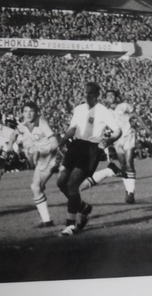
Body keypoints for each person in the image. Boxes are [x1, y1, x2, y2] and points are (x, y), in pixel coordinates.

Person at [57, 82, 122, 236]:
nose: (87, 95)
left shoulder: (104, 111)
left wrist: (108, 141)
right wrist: (62, 141)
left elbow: (118, 131)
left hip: (91, 149)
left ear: (97, 95)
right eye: (86, 92)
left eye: (91, 93)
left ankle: (71, 225)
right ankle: (84, 208)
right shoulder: (79, 109)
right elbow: (73, 128)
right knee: (61, 183)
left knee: (73, 184)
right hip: (75, 146)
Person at [80, 89, 150, 204]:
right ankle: (128, 191)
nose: (110, 97)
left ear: (117, 97)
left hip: (128, 136)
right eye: (108, 96)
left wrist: (147, 129)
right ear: (106, 99)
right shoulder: (106, 112)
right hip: (117, 139)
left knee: (129, 163)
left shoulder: (124, 106)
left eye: (112, 95)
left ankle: (131, 192)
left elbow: (136, 117)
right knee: (122, 166)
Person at [7, 102, 59, 228]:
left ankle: (48, 221)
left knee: (37, 187)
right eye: (25, 111)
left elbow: (55, 143)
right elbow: (14, 134)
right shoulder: (23, 125)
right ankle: (47, 221)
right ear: (22, 113)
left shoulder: (41, 122)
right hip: (44, 159)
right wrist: (9, 145)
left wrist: (41, 154)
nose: (28, 114)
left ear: (37, 112)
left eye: (31, 111)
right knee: (36, 187)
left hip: (53, 157)